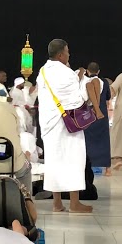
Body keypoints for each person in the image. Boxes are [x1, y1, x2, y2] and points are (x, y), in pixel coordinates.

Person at [36, 39, 91, 213]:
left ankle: (57, 203)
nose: (69, 54)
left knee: (53, 162)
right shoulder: (65, 73)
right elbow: (77, 99)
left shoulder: (43, 71)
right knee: (74, 159)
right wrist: (83, 83)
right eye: (67, 51)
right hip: (66, 124)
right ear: (60, 55)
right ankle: (74, 203)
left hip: (48, 124)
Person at [82, 62, 111, 174]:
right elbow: (108, 97)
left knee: (88, 140)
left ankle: (88, 164)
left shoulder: (85, 82)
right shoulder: (105, 82)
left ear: (88, 71)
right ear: (98, 71)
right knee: (103, 140)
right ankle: (107, 169)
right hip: (102, 115)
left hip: (88, 115)